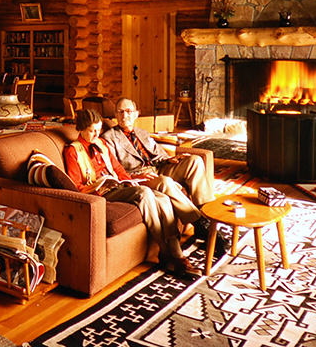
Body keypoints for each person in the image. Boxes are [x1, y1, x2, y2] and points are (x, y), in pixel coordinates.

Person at [63, 108, 201, 279]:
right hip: (101, 192)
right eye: (92, 131)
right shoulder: (73, 151)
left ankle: (175, 253)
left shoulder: (101, 144)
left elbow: (118, 169)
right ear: (81, 129)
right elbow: (76, 186)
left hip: (119, 186)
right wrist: (99, 184)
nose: (96, 134)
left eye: (98, 130)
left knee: (164, 199)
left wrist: (131, 179)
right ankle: (168, 252)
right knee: (144, 193)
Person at [102, 97, 229, 255]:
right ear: (115, 114)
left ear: (136, 114)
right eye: (120, 112)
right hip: (141, 176)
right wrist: (137, 174)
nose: (124, 116)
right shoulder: (109, 138)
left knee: (195, 161)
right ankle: (201, 225)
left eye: (128, 112)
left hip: (159, 167)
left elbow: (157, 153)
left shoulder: (142, 132)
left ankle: (209, 218)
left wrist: (169, 159)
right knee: (165, 182)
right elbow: (115, 169)